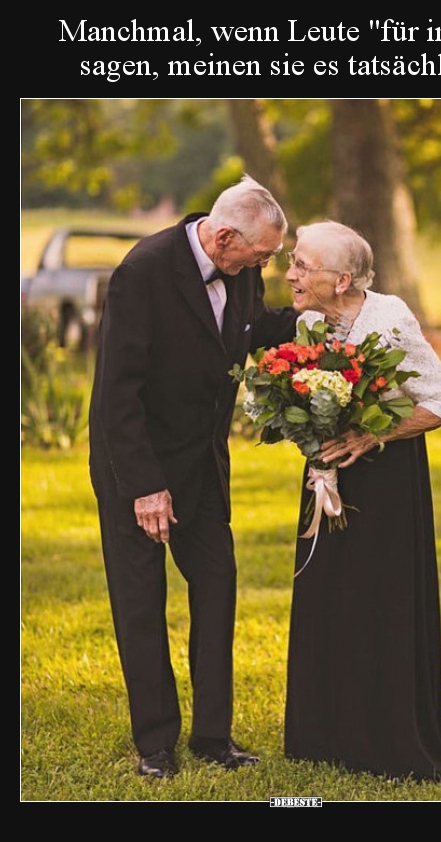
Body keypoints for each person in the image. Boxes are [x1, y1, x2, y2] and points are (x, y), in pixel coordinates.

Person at [89, 175, 297, 778]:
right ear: (226, 236)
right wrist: (144, 486)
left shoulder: (242, 266)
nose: (267, 264)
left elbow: (249, 330)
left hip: (201, 467)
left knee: (217, 587)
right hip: (138, 468)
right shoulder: (144, 270)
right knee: (140, 604)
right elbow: (116, 396)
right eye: (262, 255)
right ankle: (156, 744)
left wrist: (323, 319)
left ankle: (213, 737)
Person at [283, 220, 441, 783]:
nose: (290, 273)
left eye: (302, 265)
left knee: (380, 601)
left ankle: (387, 736)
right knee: (327, 597)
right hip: (328, 474)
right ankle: (324, 734)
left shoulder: (390, 319)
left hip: (387, 480)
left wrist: (373, 436)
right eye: (292, 261)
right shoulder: (309, 321)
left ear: (342, 280)